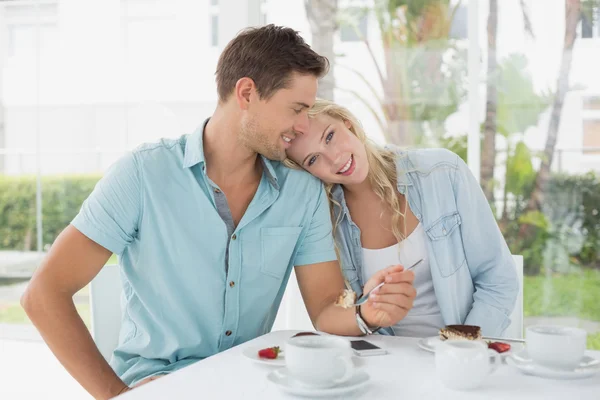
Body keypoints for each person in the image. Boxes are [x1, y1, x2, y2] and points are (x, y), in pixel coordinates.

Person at [20, 26, 417, 399]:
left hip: (249, 384)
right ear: (246, 93)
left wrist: (367, 312)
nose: (301, 126)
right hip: (161, 383)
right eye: (296, 108)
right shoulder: (144, 175)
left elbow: (327, 307)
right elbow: (43, 295)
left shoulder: (301, 191)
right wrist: (119, 398)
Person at [285, 99, 519, 338]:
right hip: (382, 360)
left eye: (330, 136)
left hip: (462, 355)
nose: (333, 159)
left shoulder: (442, 173)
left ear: (348, 125)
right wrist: (365, 307)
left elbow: (498, 280)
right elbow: (340, 308)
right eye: (313, 159)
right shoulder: (325, 220)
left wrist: (459, 348)